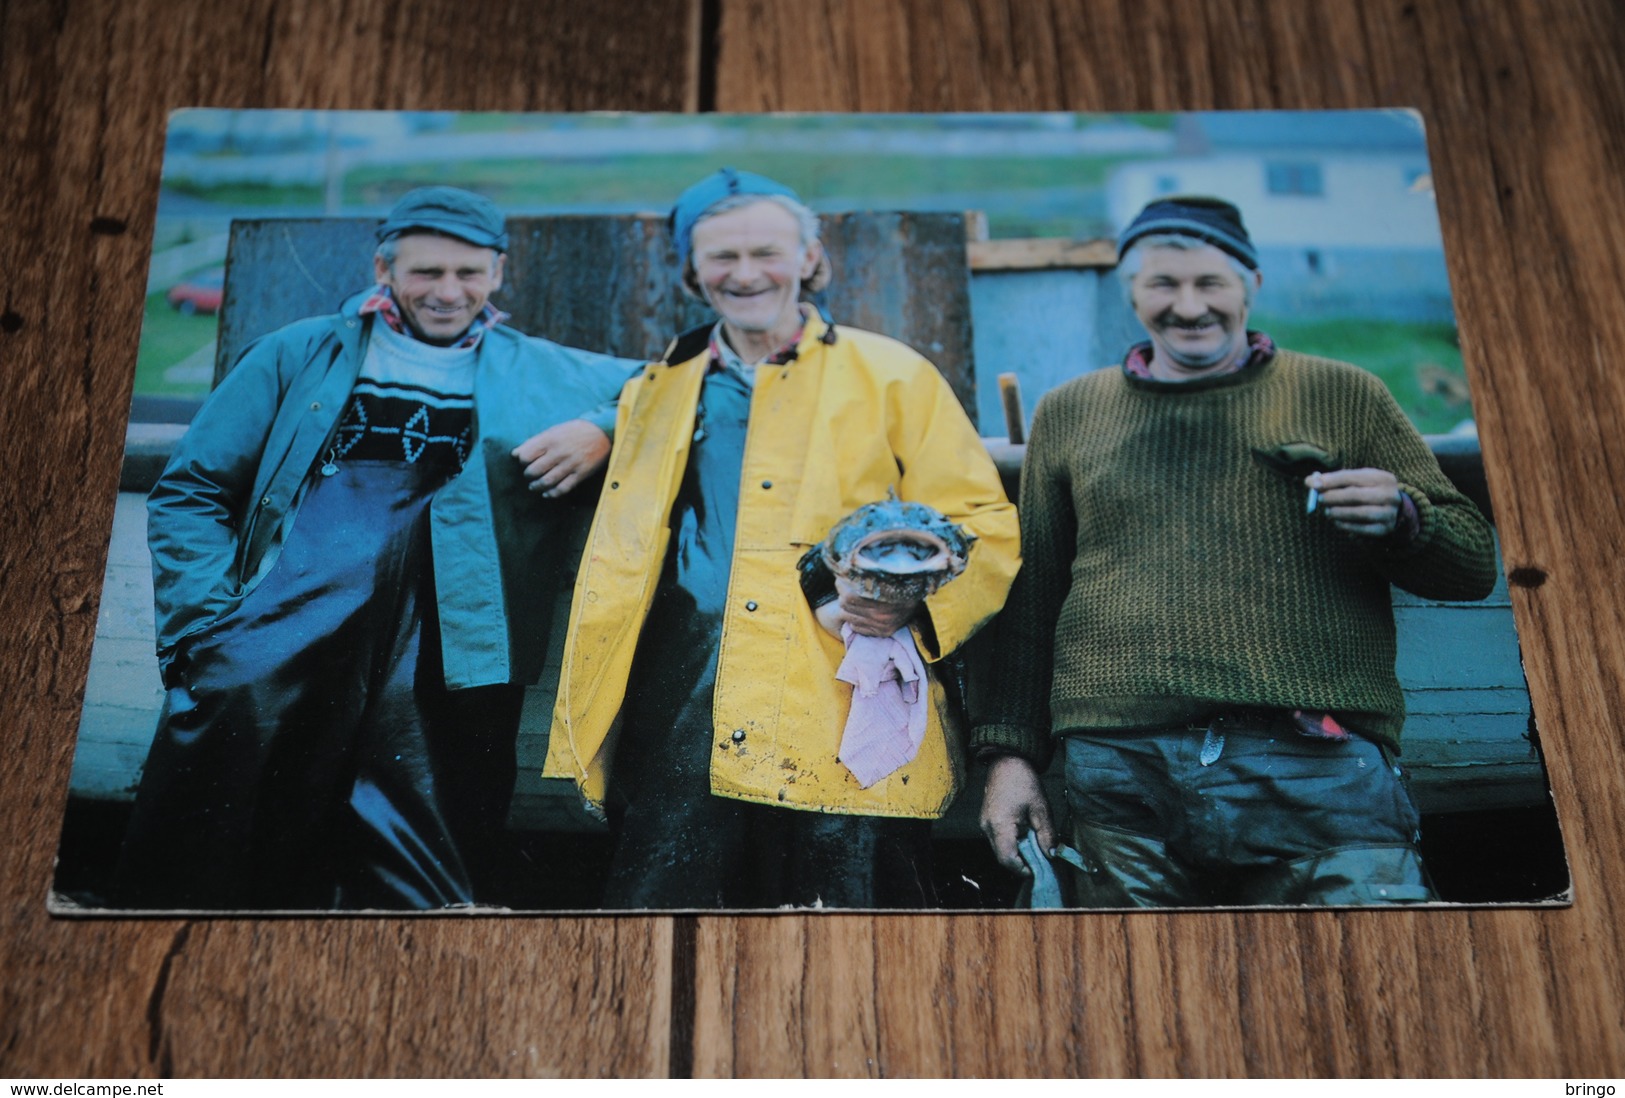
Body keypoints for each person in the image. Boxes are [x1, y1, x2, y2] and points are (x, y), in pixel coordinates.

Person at [112, 186, 638, 910]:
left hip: (451, 649)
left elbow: (680, 388)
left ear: (498, 273)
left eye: (468, 273)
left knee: (426, 865)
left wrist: (605, 428)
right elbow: (191, 490)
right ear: (383, 267)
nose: (448, 292)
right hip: (280, 628)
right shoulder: (297, 353)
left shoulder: (547, 370)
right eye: (425, 272)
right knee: (219, 850)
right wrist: (206, 624)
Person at [973, 196, 1498, 908]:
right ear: (1130, 292)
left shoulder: (1344, 396)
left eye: (1209, 283)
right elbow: (1030, 599)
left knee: (1361, 988)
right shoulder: (1069, 411)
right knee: (1137, 997)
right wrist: (1010, 758)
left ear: (1250, 284)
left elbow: (1471, 567)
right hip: (1121, 771)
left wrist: (1403, 518)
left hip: (1318, 763)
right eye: (1162, 284)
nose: (1187, 307)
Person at [543, 169, 1020, 908]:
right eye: (720, 257)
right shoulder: (654, 393)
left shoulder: (892, 374)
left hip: (839, 707)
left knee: (852, 938)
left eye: (765, 251)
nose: (744, 274)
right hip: (677, 719)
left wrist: (907, 608)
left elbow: (985, 527)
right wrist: (601, 423)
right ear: (691, 272)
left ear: (808, 257)